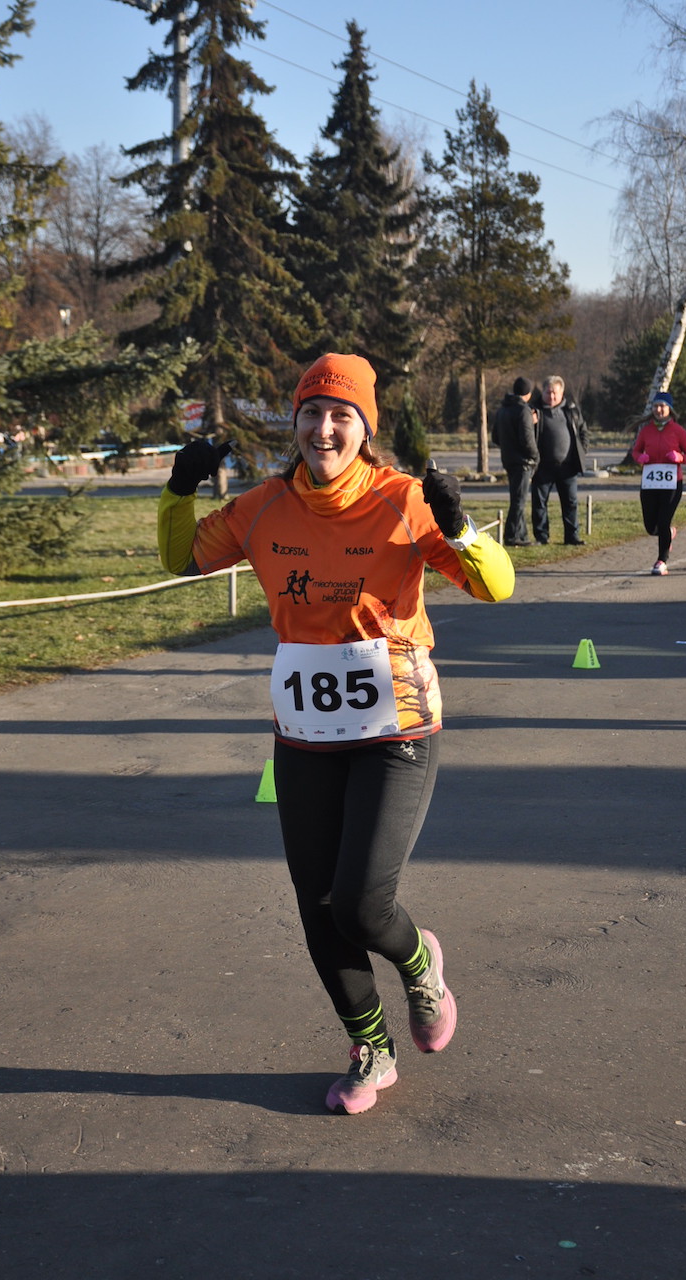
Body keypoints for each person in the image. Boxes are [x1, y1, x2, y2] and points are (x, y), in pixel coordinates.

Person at [157, 353, 515, 1115]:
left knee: (360, 904)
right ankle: (371, 1048)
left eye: (341, 415)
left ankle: (420, 968)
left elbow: (496, 586)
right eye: (312, 412)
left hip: (397, 727)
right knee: (316, 902)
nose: (324, 428)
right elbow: (181, 559)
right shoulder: (263, 508)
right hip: (307, 734)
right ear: (295, 422)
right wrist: (179, 489)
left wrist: (460, 527)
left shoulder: (404, 499)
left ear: (364, 429)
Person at [631, 390, 686, 575]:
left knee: (663, 520)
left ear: (670, 409)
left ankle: (661, 560)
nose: (658, 410)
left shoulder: (678, 431)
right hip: (650, 483)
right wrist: (640, 457)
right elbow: (635, 451)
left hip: (672, 484)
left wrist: (680, 457)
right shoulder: (646, 431)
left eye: (662, 406)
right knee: (651, 526)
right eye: (656, 406)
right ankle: (669, 532)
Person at [530, 375, 589, 545]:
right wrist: (531, 423)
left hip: (567, 466)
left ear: (562, 392)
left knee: (570, 503)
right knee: (539, 504)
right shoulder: (533, 411)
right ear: (542, 392)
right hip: (542, 467)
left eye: (554, 393)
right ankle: (541, 537)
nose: (551, 396)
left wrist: (582, 451)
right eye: (548, 392)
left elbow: (583, 432)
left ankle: (572, 537)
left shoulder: (571, 410)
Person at [493, 376, 538, 546]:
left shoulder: (503, 409)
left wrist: (508, 446)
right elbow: (527, 440)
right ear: (528, 393)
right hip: (523, 462)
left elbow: (495, 437)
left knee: (517, 497)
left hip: (508, 459)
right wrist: (535, 456)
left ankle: (522, 535)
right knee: (519, 501)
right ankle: (511, 535)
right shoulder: (524, 411)